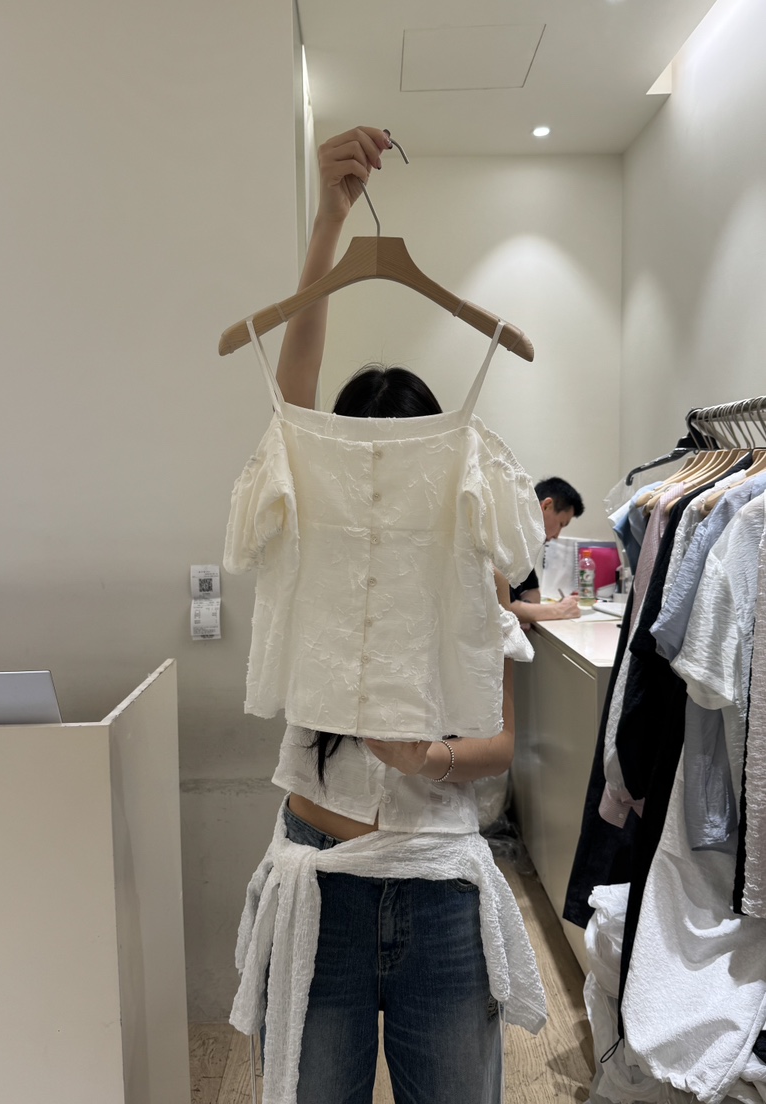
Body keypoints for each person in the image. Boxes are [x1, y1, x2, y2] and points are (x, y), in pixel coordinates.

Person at [225, 126, 546, 1104]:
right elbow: (292, 414)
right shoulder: (313, 524)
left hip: (440, 885)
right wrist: (326, 226)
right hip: (318, 882)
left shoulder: (462, 546)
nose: (379, 492)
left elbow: (502, 741)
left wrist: (426, 757)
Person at [506, 476, 585, 625]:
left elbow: (532, 590)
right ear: (547, 506)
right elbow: (503, 608)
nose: (557, 536)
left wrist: (527, 611)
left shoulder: (525, 547)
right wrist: (560, 610)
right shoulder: (504, 540)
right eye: (561, 524)